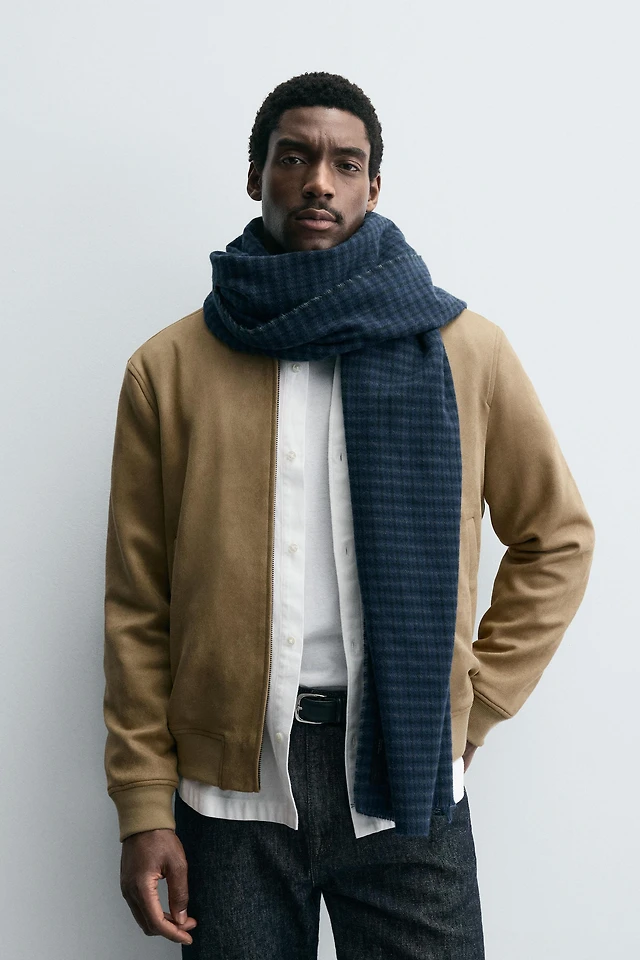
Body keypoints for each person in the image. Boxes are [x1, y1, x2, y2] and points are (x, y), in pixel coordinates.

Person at [103, 72, 595, 959]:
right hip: (231, 792)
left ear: (374, 185)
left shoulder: (465, 351)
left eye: (346, 163)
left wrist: (476, 703)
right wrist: (144, 804)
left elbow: (556, 538)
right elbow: (139, 607)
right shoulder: (170, 368)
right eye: (294, 157)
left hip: (408, 774)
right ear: (256, 175)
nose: (319, 182)